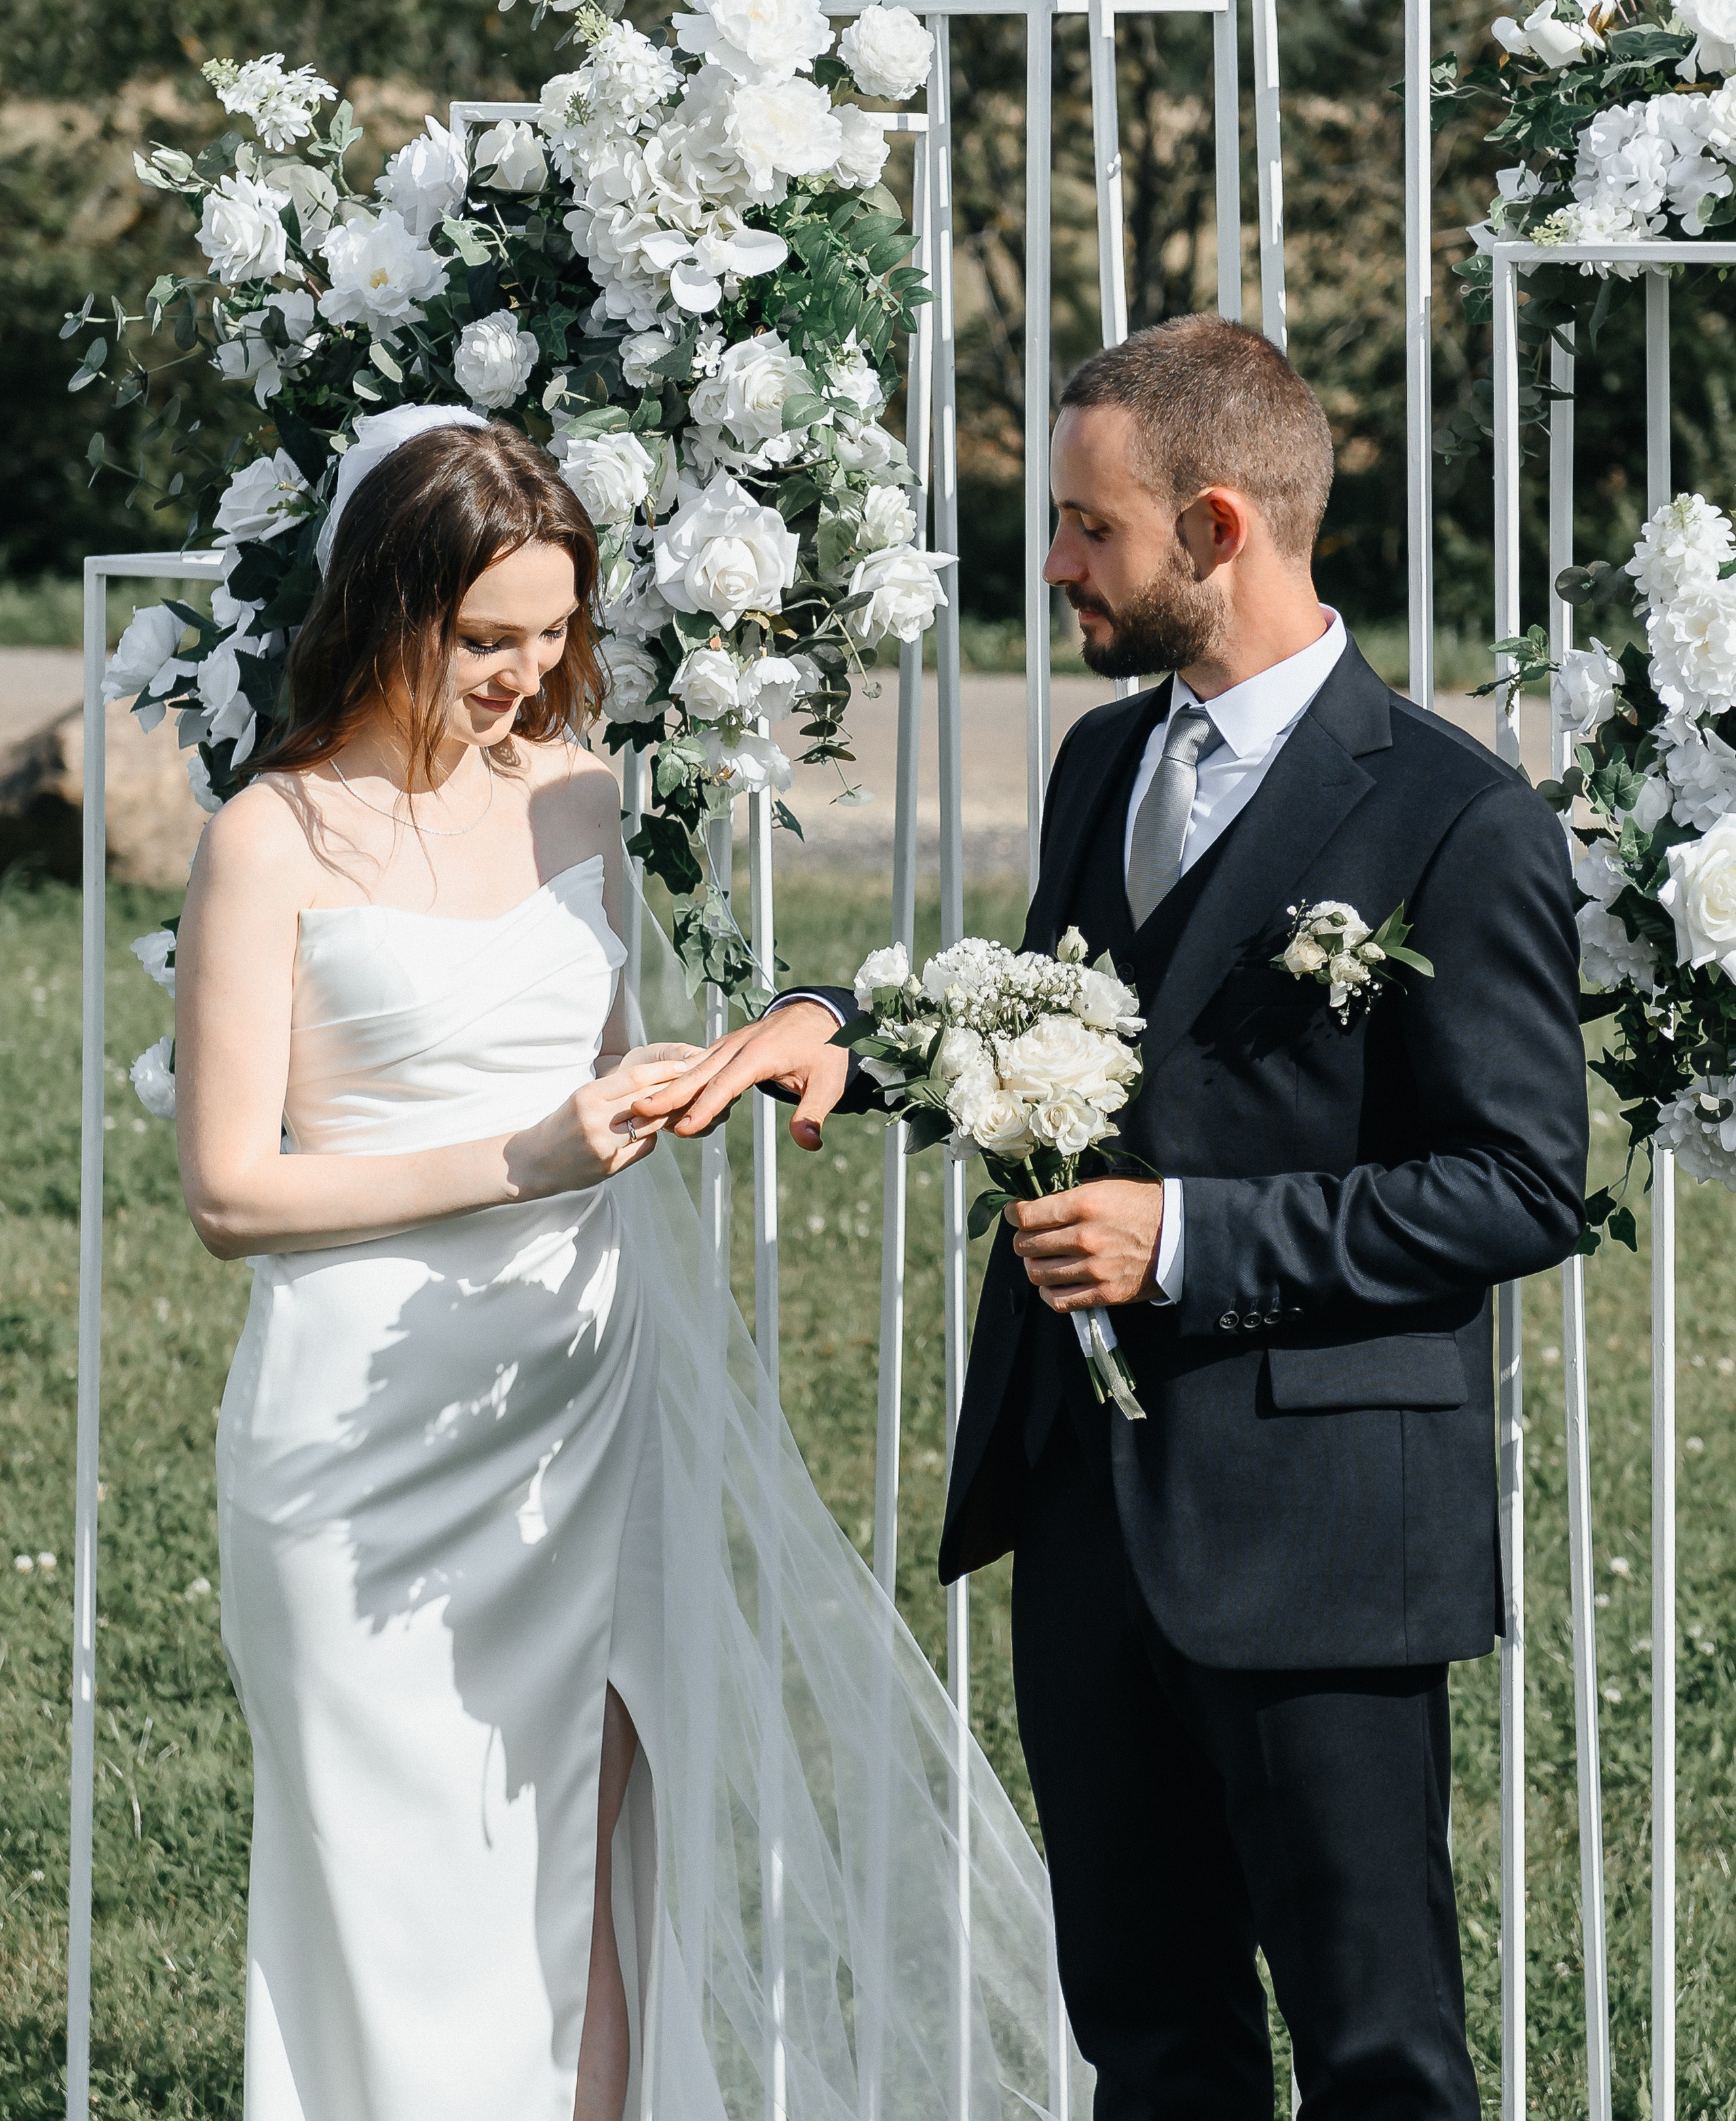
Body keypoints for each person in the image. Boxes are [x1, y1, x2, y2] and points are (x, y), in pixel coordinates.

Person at [654, 315, 1589, 2119]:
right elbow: (1046, 1028)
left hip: (1323, 1536)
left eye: (1090, 528)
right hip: (1085, 1510)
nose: (1057, 565)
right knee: (1149, 2049)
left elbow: (1521, 1180)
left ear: (1216, 528)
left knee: (1380, 2056)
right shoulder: (1102, 764)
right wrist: (846, 1033)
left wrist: (1188, 1240)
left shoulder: (1457, 822)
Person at [174, 408, 1076, 2121]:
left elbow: (582, 1063)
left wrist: (668, 1086)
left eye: (551, 634)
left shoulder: (576, 796)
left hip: (577, 1398)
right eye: (484, 638)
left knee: (579, 1860)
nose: (526, 675)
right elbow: (229, 1191)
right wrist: (517, 1159)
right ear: (387, 607)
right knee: (386, 1886)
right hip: (357, 1436)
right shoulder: (270, 836)